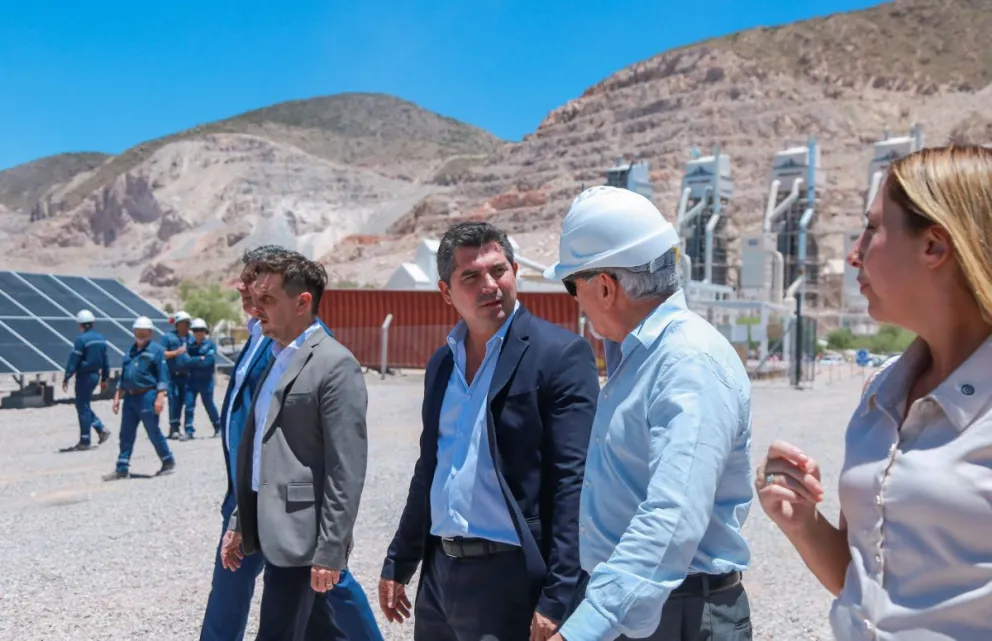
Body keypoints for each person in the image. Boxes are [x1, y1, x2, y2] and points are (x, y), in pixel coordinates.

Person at [755, 145, 992, 640]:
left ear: (935, 246)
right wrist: (802, 522)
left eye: (873, 228)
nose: (853, 253)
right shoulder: (880, 391)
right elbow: (862, 581)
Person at [545, 186, 754, 641]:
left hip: (680, 615)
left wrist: (582, 629)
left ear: (604, 286)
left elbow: (672, 516)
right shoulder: (641, 358)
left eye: (571, 285)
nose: (574, 301)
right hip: (638, 606)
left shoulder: (686, 363)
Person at [378, 221, 600, 641]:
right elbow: (431, 467)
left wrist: (559, 595)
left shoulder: (559, 355)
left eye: (499, 270)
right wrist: (400, 560)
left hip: (510, 579)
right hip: (440, 576)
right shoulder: (442, 364)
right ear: (446, 292)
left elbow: (574, 481)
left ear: (515, 270)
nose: (490, 285)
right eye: (471, 276)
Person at [200, 246, 383, 641]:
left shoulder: (333, 363)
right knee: (320, 630)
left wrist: (332, 548)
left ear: (302, 303)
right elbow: (259, 449)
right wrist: (238, 518)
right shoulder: (274, 356)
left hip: (301, 532)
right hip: (261, 517)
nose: (253, 305)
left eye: (267, 298)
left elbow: (344, 469)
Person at [103, 316, 176, 480]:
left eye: (144, 332)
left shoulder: (156, 351)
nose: (141, 334)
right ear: (134, 332)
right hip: (130, 398)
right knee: (125, 433)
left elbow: (163, 376)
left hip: (147, 396)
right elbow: (124, 376)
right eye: (138, 331)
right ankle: (122, 467)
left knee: (153, 431)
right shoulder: (130, 351)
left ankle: (168, 461)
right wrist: (117, 397)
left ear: (150, 333)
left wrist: (160, 398)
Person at [60, 309, 112, 451]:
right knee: (84, 405)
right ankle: (100, 429)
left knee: (82, 407)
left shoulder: (81, 340)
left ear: (81, 325)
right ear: (92, 323)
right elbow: (106, 360)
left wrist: (67, 376)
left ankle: (85, 440)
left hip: (84, 377)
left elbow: (74, 359)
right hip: (95, 376)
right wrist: (105, 378)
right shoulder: (101, 338)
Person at [184, 317, 222, 438]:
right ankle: (188, 431)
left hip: (206, 381)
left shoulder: (210, 345)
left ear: (205, 331)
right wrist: (199, 359)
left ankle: (218, 427)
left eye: (201, 330)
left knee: (209, 404)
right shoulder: (190, 345)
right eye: (196, 330)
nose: (198, 333)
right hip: (192, 380)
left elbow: (208, 363)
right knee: (189, 405)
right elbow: (185, 362)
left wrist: (193, 360)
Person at [162, 310, 193, 439]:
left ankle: (188, 429)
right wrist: (176, 352)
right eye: (184, 323)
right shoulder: (168, 337)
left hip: (189, 376)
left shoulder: (192, 338)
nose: (186, 325)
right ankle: (174, 428)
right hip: (173, 376)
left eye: (188, 323)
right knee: (174, 401)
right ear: (177, 324)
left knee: (188, 403)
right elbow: (162, 354)